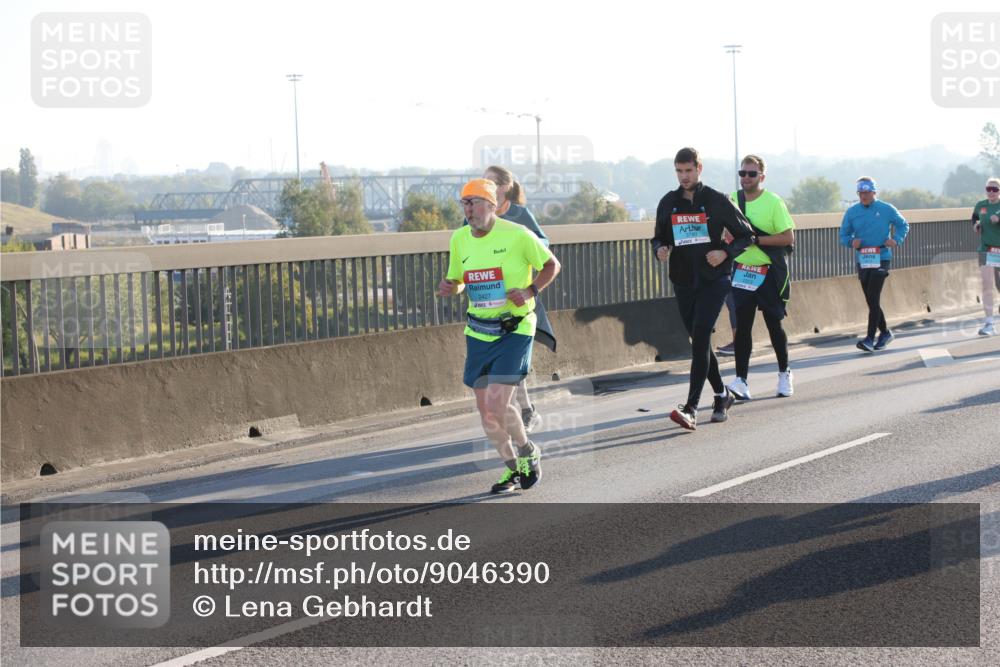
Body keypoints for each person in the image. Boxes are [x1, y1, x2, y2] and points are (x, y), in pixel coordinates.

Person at [439, 178, 560, 493]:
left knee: (496, 402)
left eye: (475, 202)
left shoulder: (518, 235)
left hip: (515, 328)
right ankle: (514, 470)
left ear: (492, 205)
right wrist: (453, 287)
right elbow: (460, 279)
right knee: (487, 415)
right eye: (464, 203)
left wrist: (531, 289)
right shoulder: (459, 239)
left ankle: (526, 449)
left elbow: (551, 265)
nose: (468, 209)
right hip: (478, 331)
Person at [651, 147, 755, 430]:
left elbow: (746, 235)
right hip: (683, 280)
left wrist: (725, 253)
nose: (684, 176)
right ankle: (722, 395)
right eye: (679, 171)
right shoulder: (668, 202)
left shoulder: (716, 200)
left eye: (689, 170)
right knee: (699, 343)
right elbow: (658, 237)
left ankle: (691, 408)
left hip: (714, 281)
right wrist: (660, 248)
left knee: (699, 336)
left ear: (699, 169)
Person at [482, 165, 556, 432]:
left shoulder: (519, 214)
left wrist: (522, 247)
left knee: (510, 358)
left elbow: (544, 243)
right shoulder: (477, 214)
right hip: (487, 298)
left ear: (503, 187)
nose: (484, 185)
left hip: (517, 297)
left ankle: (519, 413)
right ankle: (523, 411)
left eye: (489, 181)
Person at [725, 155, 796, 400]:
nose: (746, 178)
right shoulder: (733, 200)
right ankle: (741, 380)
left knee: (773, 325)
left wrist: (756, 239)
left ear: (761, 177)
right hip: (743, 271)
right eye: (742, 173)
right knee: (742, 328)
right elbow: (725, 231)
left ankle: (784, 373)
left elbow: (788, 238)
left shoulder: (774, 202)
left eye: (751, 174)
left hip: (768, 274)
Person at [838, 177, 909, 352]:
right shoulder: (852, 212)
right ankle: (885, 332)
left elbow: (903, 225)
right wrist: (851, 242)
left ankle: (870, 338)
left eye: (867, 192)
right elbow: (843, 235)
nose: (864, 196)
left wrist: (896, 239)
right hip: (863, 259)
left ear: (874, 192)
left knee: (873, 295)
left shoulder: (886, 209)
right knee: (871, 299)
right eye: (860, 193)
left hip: (882, 256)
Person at [972, 177, 1000, 336]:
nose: (991, 192)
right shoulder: (981, 205)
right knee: (987, 284)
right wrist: (976, 225)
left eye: (995, 189)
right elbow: (975, 217)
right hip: (986, 249)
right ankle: (989, 323)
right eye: (989, 189)